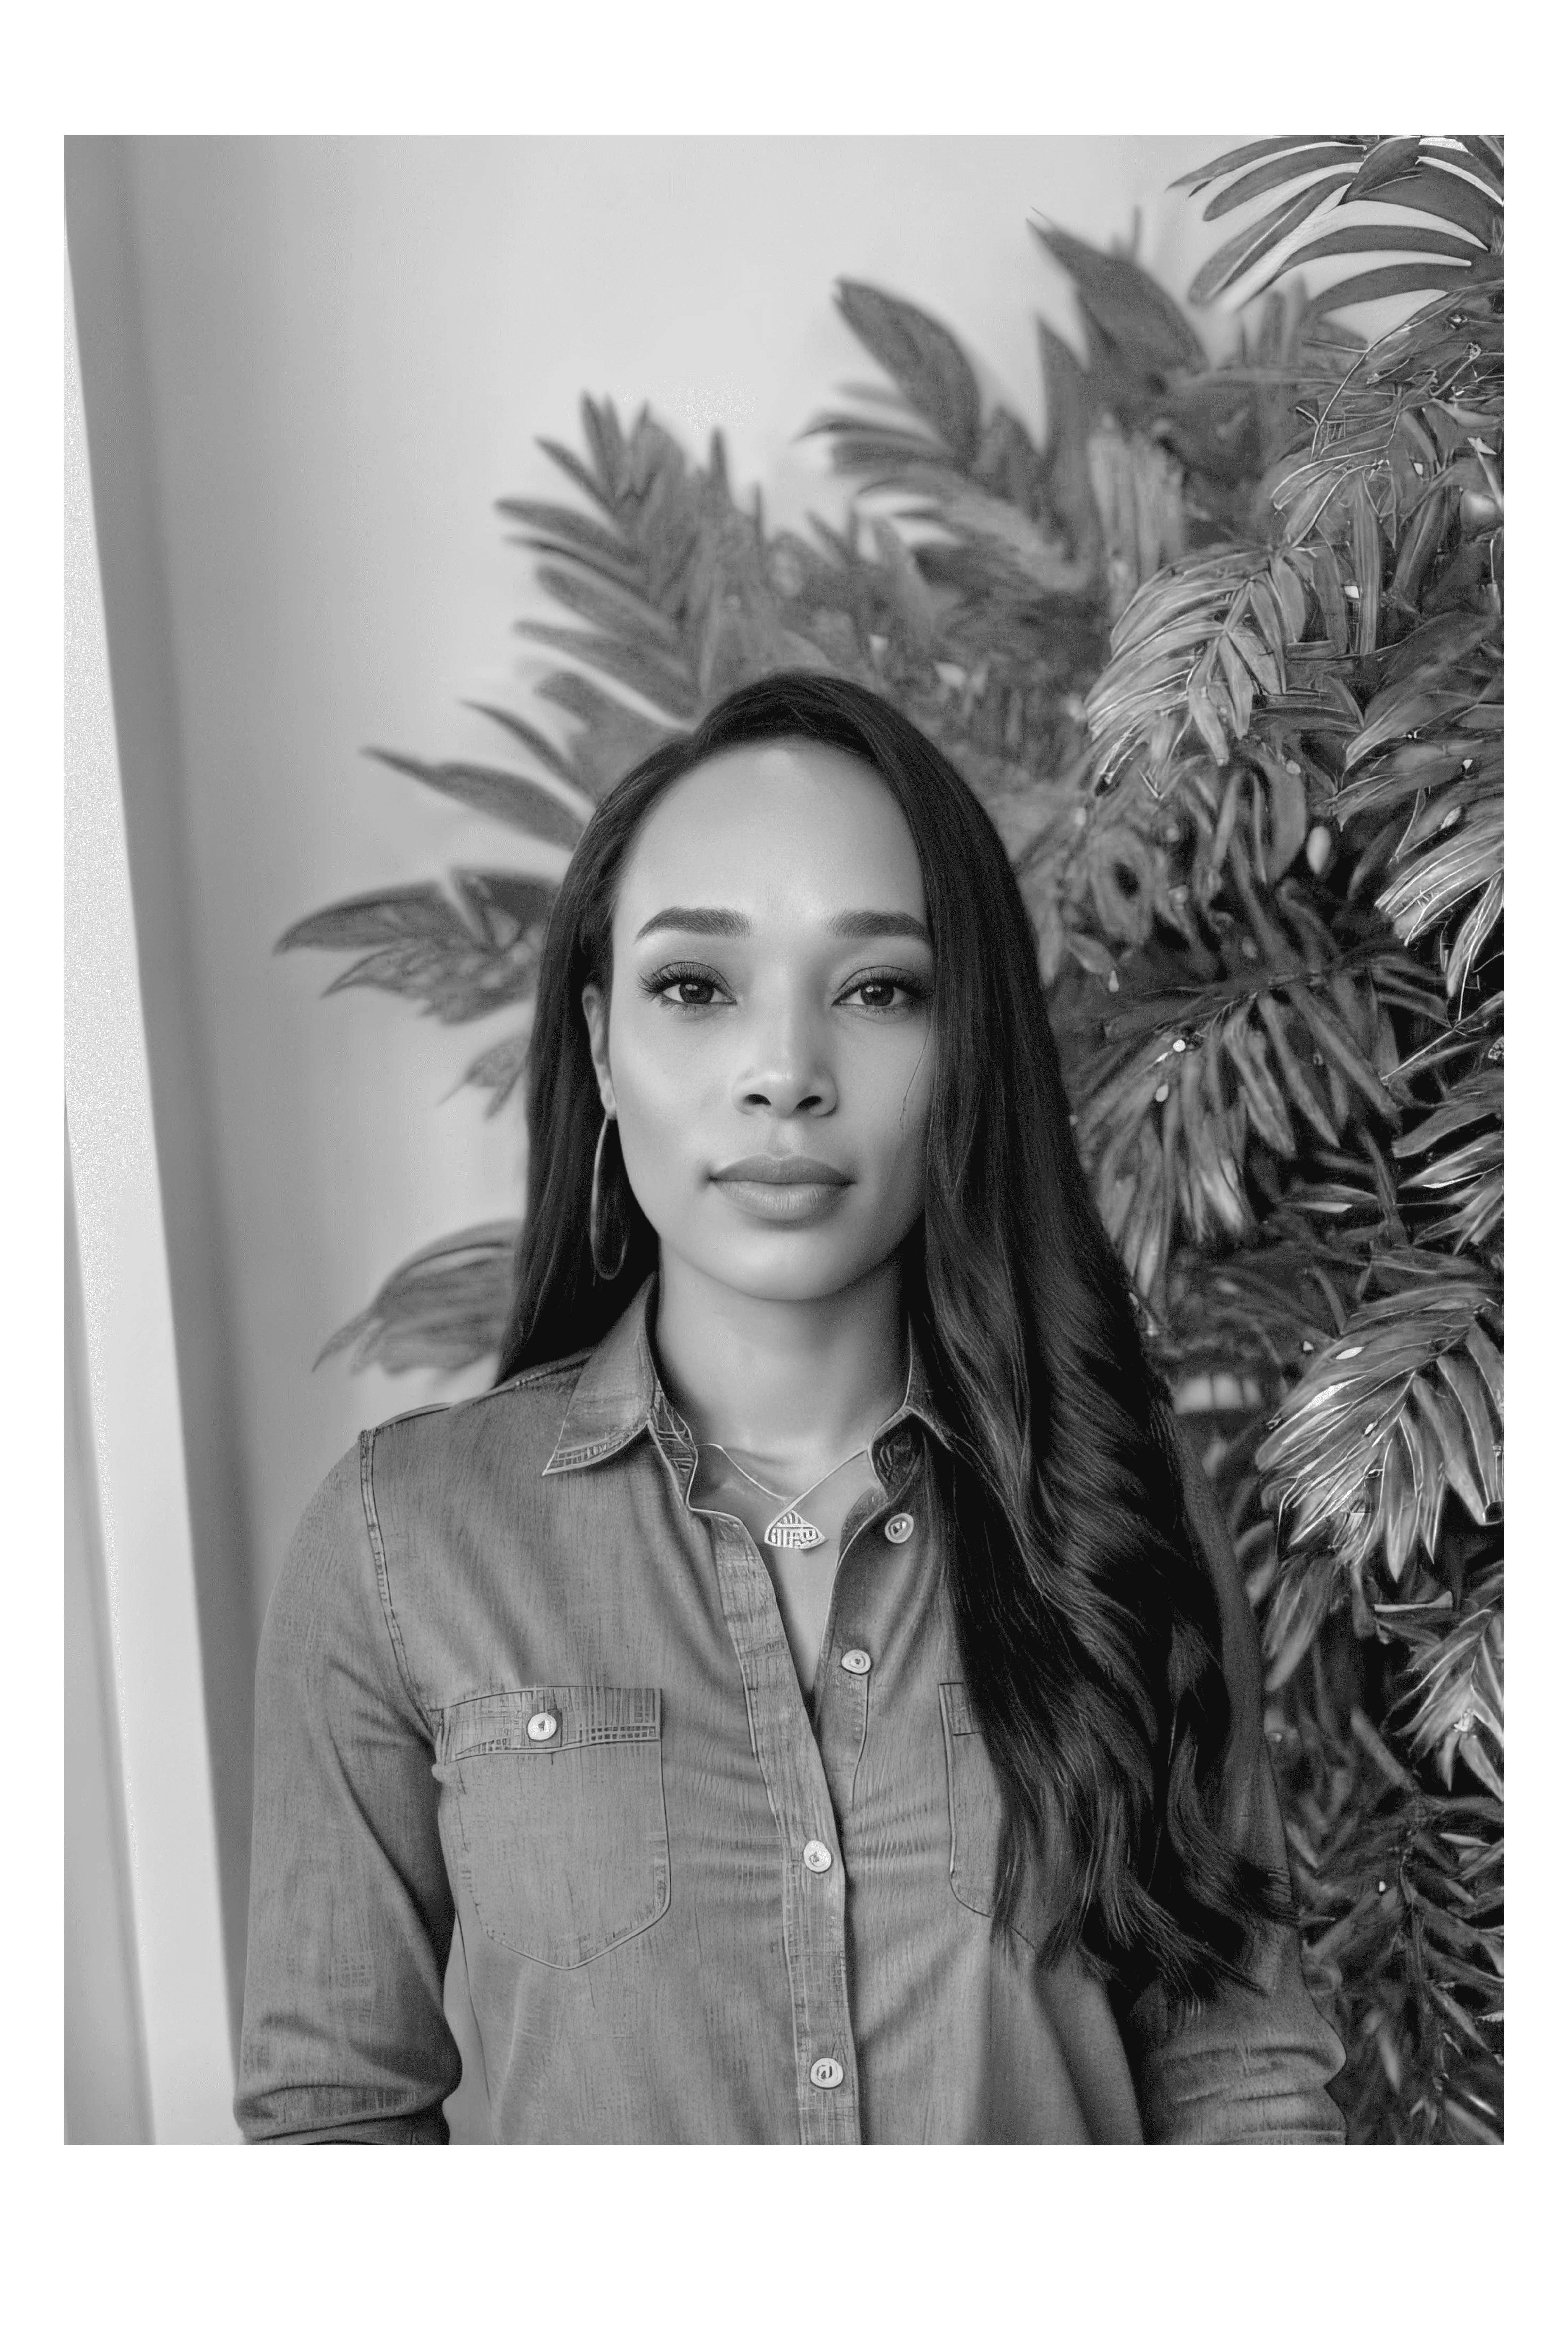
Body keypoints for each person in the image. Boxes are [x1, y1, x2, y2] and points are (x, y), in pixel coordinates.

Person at [236, 671, 1346, 2144]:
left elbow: (1239, 2084)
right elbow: (335, 2124)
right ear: (601, 1041)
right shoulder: (400, 1543)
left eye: (880, 989)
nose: (785, 1075)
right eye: (696, 988)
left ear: (967, 1054)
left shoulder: (1121, 1513)